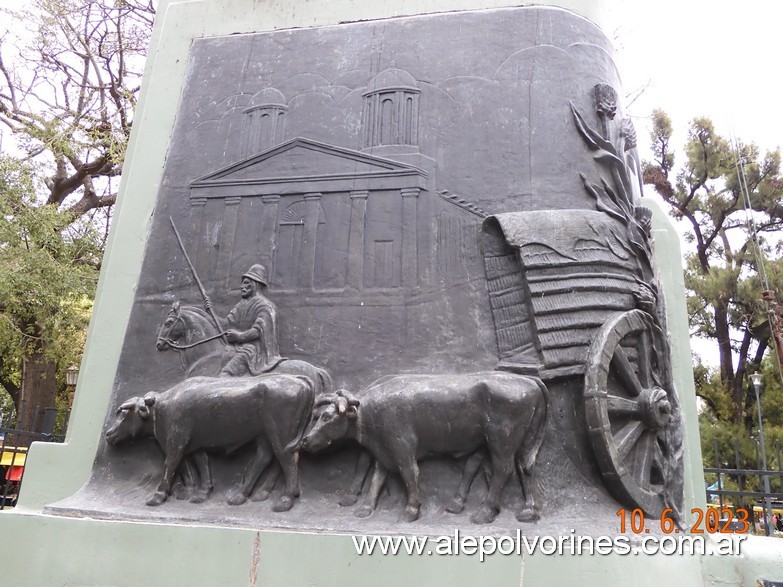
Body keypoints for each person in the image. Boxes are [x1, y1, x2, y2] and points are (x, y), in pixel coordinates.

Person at [205, 264, 283, 377]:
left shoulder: (265, 306)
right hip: (239, 347)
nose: (242, 286)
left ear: (256, 284)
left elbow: (258, 330)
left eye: (246, 283)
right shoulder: (241, 305)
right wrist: (210, 313)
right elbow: (226, 324)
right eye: (242, 283)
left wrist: (239, 336)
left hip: (255, 351)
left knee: (226, 374)